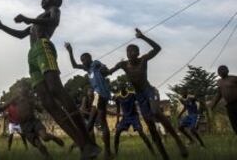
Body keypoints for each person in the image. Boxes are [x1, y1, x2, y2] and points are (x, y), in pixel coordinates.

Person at [0, 0, 100, 159]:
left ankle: (88, 140)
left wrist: (28, 19)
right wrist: (2, 26)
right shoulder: (36, 21)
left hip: (43, 47)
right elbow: (21, 35)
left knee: (56, 89)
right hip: (32, 55)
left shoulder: (54, 10)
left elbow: (54, 21)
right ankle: (83, 145)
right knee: (47, 102)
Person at [108, 28, 188, 160]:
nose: (130, 53)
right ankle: (164, 156)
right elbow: (110, 71)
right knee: (150, 126)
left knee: (156, 112)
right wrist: (102, 71)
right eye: (128, 51)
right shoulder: (123, 64)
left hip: (149, 90)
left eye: (133, 51)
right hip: (139, 96)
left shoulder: (143, 60)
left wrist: (143, 37)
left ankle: (179, 142)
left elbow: (158, 48)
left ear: (138, 53)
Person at [0, 84, 64, 160]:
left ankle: (54, 138)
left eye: (23, 91)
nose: (21, 93)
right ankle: (48, 157)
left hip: (34, 122)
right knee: (39, 145)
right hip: (25, 126)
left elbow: (40, 110)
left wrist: (37, 104)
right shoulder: (15, 100)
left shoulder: (30, 100)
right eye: (20, 91)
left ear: (26, 92)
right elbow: (1, 108)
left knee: (45, 137)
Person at [65, 42, 112, 159]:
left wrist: (104, 68)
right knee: (102, 121)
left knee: (90, 121)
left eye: (84, 59)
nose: (83, 62)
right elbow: (75, 66)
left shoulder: (95, 64)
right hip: (102, 95)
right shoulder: (88, 70)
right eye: (82, 60)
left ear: (90, 58)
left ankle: (83, 147)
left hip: (100, 94)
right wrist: (70, 51)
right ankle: (107, 152)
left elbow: (103, 68)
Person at [113, 83, 155, 157]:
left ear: (126, 87)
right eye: (120, 87)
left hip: (134, 117)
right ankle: (115, 153)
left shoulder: (132, 94)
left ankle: (152, 151)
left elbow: (141, 100)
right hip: (125, 118)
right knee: (117, 132)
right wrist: (117, 120)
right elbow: (118, 109)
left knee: (141, 132)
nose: (122, 88)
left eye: (123, 86)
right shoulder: (118, 97)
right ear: (119, 89)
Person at [68, 88, 96, 153]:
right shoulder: (85, 99)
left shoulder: (94, 100)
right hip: (83, 119)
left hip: (89, 119)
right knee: (88, 135)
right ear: (87, 93)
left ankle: (93, 151)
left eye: (92, 91)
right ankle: (73, 146)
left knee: (90, 135)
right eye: (90, 91)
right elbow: (82, 111)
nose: (91, 93)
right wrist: (91, 113)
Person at [211, 65, 237, 134]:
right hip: (229, 105)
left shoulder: (234, 78)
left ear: (227, 70)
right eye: (220, 70)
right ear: (218, 73)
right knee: (234, 124)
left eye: (223, 69)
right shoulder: (219, 82)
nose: (222, 71)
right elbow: (219, 94)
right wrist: (213, 104)